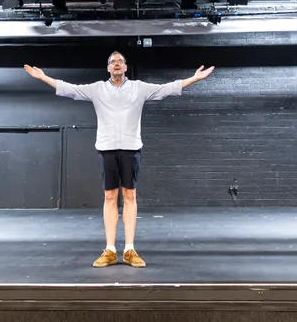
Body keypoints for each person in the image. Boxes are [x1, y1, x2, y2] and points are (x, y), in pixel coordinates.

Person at [23, 51, 214, 268]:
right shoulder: (97, 89)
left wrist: (194, 78)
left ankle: (130, 249)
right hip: (106, 149)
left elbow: (166, 89)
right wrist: (44, 77)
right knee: (110, 196)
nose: (116, 64)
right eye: (112, 62)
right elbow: (70, 89)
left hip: (131, 148)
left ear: (125, 67)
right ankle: (110, 250)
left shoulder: (139, 88)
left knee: (130, 195)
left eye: (120, 62)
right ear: (108, 68)